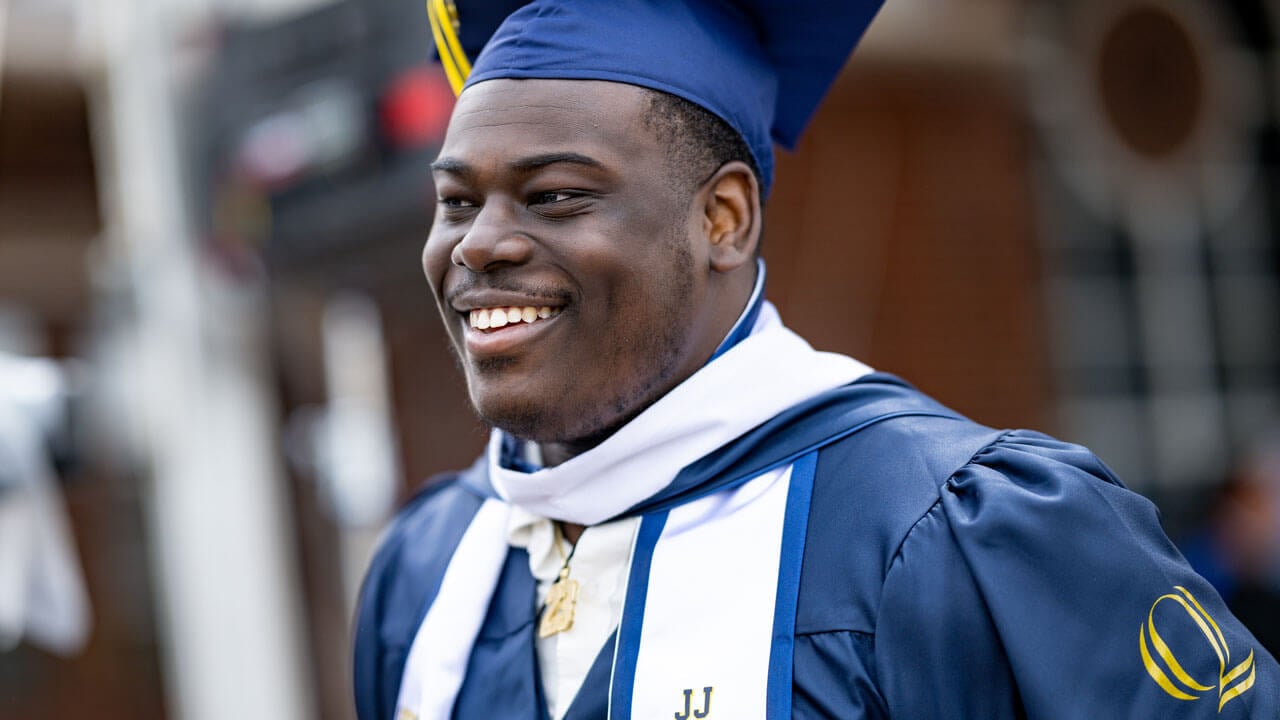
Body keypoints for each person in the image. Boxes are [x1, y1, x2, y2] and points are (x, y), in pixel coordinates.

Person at [353, 1, 1280, 718]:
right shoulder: (429, 571)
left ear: (724, 219)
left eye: (554, 195)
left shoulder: (948, 528)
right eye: (457, 203)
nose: (478, 247)